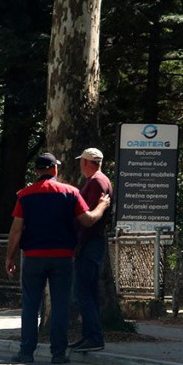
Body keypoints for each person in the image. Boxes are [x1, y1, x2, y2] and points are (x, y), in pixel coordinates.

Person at [5, 153, 110, 365]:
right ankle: (58, 353)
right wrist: (101, 206)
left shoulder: (24, 195)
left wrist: (10, 257)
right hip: (63, 257)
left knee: (30, 305)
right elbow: (87, 221)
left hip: (33, 257)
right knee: (61, 305)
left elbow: (16, 230)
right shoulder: (70, 192)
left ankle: (26, 352)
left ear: (37, 171)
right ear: (54, 170)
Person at [71, 147, 112, 352]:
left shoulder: (96, 181)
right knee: (88, 291)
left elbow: (88, 218)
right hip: (92, 242)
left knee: (84, 291)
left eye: (81, 161)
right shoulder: (99, 180)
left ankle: (93, 336)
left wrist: (78, 244)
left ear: (86, 162)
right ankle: (89, 335)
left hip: (89, 242)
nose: (80, 165)